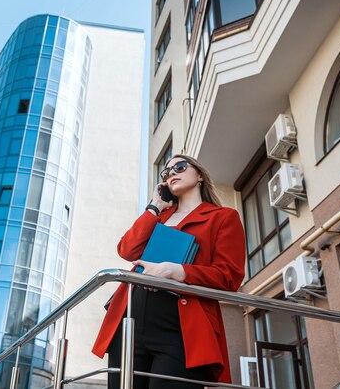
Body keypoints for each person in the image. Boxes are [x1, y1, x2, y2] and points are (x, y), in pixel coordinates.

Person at [91, 154, 246, 388]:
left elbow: (229, 276)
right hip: (130, 320)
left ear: (200, 175)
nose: (171, 173)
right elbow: (127, 250)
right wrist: (154, 206)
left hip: (181, 327)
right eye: (166, 172)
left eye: (180, 167)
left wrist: (178, 271)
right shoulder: (159, 217)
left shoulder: (223, 217)